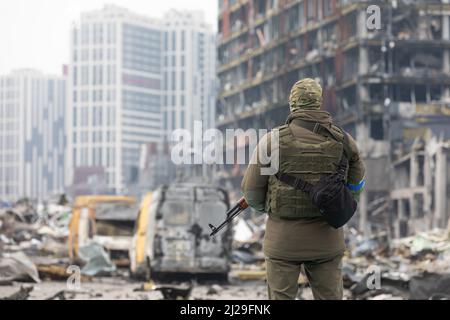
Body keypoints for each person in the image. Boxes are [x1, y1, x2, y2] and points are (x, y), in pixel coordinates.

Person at [241, 78, 366, 300]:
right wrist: (343, 205)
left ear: (292, 104)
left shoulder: (271, 141)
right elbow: (356, 183)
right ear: (318, 103)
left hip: (282, 242)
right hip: (327, 240)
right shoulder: (344, 141)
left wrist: (269, 208)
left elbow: (251, 191)